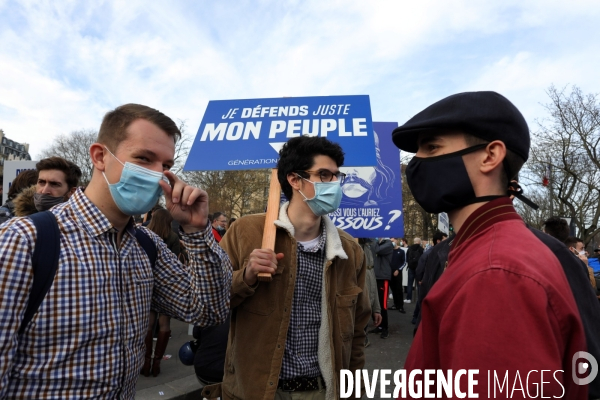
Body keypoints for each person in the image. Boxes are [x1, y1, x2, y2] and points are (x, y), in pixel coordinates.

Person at [0, 104, 232, 399]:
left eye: (165, 166)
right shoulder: (23, 240)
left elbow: (208, 311)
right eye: (143, 158)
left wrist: (197, 231)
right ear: (100, 157)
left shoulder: (147, 246)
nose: (156, 174)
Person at [392, 91, 586, 397]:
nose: (417, 163)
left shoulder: (495, 271)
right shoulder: (490, 248)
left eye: (431, 147)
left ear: (490, 156)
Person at [202, 136, 370, 400]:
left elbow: (357, 333)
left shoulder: (349, 251)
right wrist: (246, 277)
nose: (334, 184)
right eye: (324, 175)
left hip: (323, 391)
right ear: (294, 180)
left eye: (337, 176)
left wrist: (355, 391)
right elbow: (209, 304)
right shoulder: (247, 232)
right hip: (259, 391)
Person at [142, 208, 181, 377]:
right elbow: (176, 260)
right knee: (164, 324)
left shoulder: (144, 234)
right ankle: (157, 362)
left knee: (148, 324)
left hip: (148, 282)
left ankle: (146, 361)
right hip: (166, 285)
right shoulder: (173, 237)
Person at [11, 156, 83, 218]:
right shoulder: (18, 225)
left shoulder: (80, 226)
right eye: (41, 182)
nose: (44, 191)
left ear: (71, 192)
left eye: (54, 184)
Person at [359, 238, 382, 348]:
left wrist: (376, 309)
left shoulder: (368, 247)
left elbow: (372, 283)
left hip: (366, 308)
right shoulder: (346, 248)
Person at [369, 237, 394, 338]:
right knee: (375, 302)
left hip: (383, 277)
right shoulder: (376, 243)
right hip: (375, 276)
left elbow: (377, 250)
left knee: (383, 304)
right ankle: (379, 326)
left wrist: (373, 240)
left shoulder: (388, 244)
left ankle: (385, 328)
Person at [389, 238, 406, 314]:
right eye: (391, 241)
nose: (392, 242)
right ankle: (395, 304)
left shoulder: (401, 251)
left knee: (399, 289)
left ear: (396, 241)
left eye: (393, 241)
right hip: (390, 272)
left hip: (398, 272)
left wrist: (398, 270)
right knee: (393, 289)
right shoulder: (389, 251)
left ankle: (401, 306)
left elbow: (404, 262)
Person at [405, 237, 423, 303]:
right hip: (418, 269)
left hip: (411, 268)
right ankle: (419, 298)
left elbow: (406, 258)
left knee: (409, 283)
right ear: (419, 242)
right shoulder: (421, 249)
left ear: (414, 241)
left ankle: (408, 298)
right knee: (419, 284)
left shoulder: (410, 249)